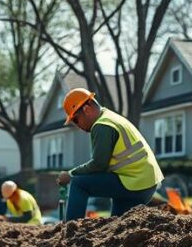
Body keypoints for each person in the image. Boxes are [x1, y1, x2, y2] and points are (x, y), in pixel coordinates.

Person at [57, 89, 163, 221]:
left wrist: (70, 174)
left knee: (79, 183)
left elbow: (98, 165)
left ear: (86, 109)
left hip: (135, 181)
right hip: (143, 182)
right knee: (117, 225)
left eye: (76, 120)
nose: (77, 126)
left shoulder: (102, 126)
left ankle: (71, 229)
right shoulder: (110, 117)